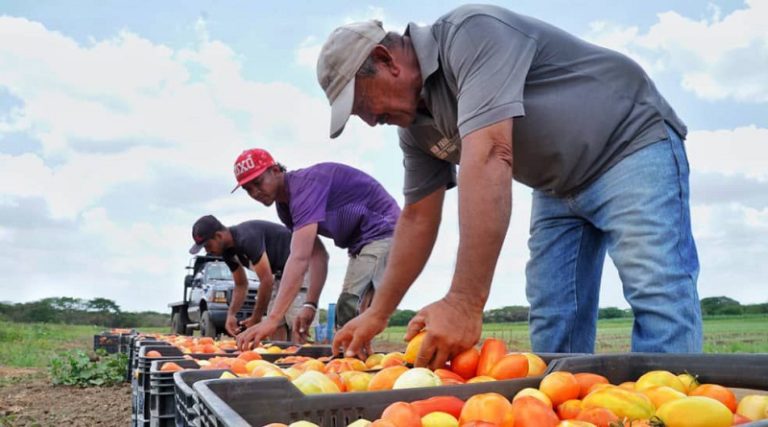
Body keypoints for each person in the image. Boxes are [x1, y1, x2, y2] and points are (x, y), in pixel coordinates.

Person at [316, 4, 702, 367]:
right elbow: (417, 217)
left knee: (656, 289)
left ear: (385, 61)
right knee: (554, 314)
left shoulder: (470, 33)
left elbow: (490, 153)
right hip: (555, 186)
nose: (368, 121)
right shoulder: (415, 130)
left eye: (362, 104)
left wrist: (465, 301)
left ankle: (673, 410)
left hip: (627, 142)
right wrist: (379, 312)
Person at [231, 148, 401, 350]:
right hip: (361, 243)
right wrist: (310, 305)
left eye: (257, 183)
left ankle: (356, 370)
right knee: (351, 312)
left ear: (275, 170)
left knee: (351, 307)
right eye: (248, 189)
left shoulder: (304, 186)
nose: (255, 192)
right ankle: (354, 368)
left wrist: (273, 318)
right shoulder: (285, 207)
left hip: (385, 229)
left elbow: (299, 258)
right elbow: (317, 255)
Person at [189, 215, 321, 341]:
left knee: (296, 324)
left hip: (302, 267)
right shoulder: (227, 253)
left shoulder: (246, 237)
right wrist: (231, 314)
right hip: (281, 275)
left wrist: (256, 318)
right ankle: (281, 360)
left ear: (218, 236)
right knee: (275, 326)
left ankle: (301, 359)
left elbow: (266, 280)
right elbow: (241, 284)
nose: (207, 251)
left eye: (207, 245)